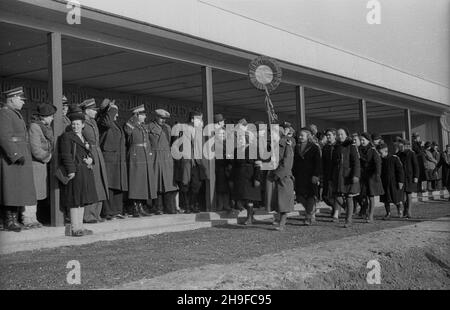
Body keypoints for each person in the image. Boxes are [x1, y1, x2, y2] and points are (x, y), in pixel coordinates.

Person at [0, 87, 36, 232]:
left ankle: (13, 220)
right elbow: (3, 136)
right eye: (20, 99)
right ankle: (8, 221)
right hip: (11, 160)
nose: (22, 102)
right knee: (10, 190)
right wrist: (14, 154)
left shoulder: (13, 113)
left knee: (16, 190)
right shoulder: (4, 113)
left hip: (19, 157)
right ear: (12, 99)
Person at [59, 106, 96, 237]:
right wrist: (71, 171)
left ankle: (80, 227)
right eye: (73, 124)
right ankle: (75, 228)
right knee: (75, 200)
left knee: (82, 200)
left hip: (85, 171)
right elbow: (66, 155)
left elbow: (89, 152)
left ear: (83, 125)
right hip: (75, 172)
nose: (75, 126)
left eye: (78, 124)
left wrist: (91, 160)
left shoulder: (83, 137)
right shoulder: (67, 137)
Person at [24, 103, 57, 228]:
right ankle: (28, 219)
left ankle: (34, 219)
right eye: (51, 116)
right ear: (45, 116)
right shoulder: (35, 127)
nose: (52, 118)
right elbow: (35, 149)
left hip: (41, 165)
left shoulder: (44, 127)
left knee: (37, 194)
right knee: (32, 193)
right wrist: (49, 157)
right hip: (35, 165)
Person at [97, 99, 128, 220]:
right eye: (115, 112)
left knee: (118, 185)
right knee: (109, 185)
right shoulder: (102, 121)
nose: (117, 114)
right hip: (109, 159)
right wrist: (112, 108)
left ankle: (117, 210)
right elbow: (107, 123)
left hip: (118, 160)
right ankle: (108, 212)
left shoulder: (114, 124)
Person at [124, 104, 157, 216]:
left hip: (144, 155)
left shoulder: (143, 126)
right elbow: (128, 131)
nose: (145, 117)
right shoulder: (131, 124)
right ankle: (134, 207)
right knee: (135, 182)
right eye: (142, 115)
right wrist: (133, 118)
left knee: (143, 182)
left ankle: (141, 206)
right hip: (135, 155)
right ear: (137, 115)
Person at [80, 98, 109, 223]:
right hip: (90, 154)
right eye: (93, 109)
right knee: (92, 184)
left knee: (100, 183)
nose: (95, 112)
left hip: (97, 153)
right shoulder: (83, 123)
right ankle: (88, 215)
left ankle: (96, 214)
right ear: (86, 110)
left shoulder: (93, 122)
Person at [174, 111, 209, 213]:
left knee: (196, 184)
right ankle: (187, 206)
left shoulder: (199, 131)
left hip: (196, 162)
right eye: (199, 119)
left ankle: (193, 204)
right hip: (186, 160)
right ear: (192, 119)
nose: (201, 121)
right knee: (185, 184)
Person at [265, 123, 295, 231]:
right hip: (273, 176)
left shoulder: (287, 146)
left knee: (283, 202)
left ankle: (282, 223)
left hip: (283, 177)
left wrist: (278, 174)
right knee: (277, 201)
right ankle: (278, 220)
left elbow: (287, 162)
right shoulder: (271, 147)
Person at [148, 109, 178, 215]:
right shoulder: (149, 127)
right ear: (156, 117)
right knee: (157, 183)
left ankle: (170, 207)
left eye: (164, 119)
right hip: (155, 157)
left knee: (169, 184)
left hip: (167, 158)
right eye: (161, 118)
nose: (163, 120)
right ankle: (158, 207)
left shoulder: (168, 128)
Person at [230, 129, 262, 225]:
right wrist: (231, 178)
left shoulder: (254, 149)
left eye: (242, 138)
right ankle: (251, 216)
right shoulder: (236, 150)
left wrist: (257, 178)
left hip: (250, 175)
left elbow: (258, 164)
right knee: (243, 196)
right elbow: (233, 165)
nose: (239, 140)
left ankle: (249, 217)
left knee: (250, 197)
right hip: (240, 176)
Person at [331, 128, 360, 227]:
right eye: (338, 134)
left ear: (346, 135)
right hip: (338, 175)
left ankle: (348, 220)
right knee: (337, 195)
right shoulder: (336, 146)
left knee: (349, 197)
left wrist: (356, 175)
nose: (340, 136)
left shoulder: (351, 146)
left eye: (342, 134)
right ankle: (348, 210)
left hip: (348, 175)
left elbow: (356, 161)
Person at [292, 127, 321, 226]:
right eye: (299, 135)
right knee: (299, 196)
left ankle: (308, 216)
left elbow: (318, 162)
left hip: (310, 175)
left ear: (308, 136)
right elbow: (294, 162)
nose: (300, 137)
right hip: (299, 175)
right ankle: (311, 209)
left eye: (302, 135)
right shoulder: (296, 147)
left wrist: (316, 175)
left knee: (310, 195)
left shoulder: (314, 147)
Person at [358, 132, 384, 223]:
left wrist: (377, 174)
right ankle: (363, 209)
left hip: (371, 176)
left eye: (363, 140)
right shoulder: (359, 150)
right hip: (362, 176)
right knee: (361, 195)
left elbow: (378, 163)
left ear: (368, 140)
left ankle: (371, 215)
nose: (362, 141)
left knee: (371, 196)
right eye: (360, 140)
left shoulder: (373, 150)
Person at [378, 143, 404, 219]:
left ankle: (400, 210)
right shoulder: (380, 160)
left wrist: (400, 181)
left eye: (380, 153)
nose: (379, 155)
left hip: (394, 183)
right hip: (384, 183)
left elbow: (400, 171)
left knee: (396, 199)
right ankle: (388, 213)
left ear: (386, 151)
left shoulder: (394, 158)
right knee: (386, 200)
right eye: (378, 153)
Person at [395, 138, 419, 218]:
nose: (400, 148)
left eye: (401, 146)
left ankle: (409, 211)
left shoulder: (411, 153)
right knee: (402, 196)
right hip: (401, 178)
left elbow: (416, 166)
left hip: (410, 177)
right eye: (399, 146)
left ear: (405, 146)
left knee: (408, 195)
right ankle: (405, 210)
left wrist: (416, 176)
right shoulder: (398, 154)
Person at [214, 114, 232, 212]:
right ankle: (221, 204)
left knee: (227, 186)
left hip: (226, 163)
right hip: (219, 163)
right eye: (222, 121)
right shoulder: (214, 134)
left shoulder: (224, 132)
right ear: (219, 122)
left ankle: (226, 204)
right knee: (220, 186)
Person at [322, 128, 337, 209]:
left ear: (334, 136)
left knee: (334, 194)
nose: (328, 137)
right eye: (327, 135)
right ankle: (336, 207)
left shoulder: (338, 146)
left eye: (329, 135)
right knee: (325, 196)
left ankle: (336, 210)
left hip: (335, 174)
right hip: (327, 174)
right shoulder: (325, 147)